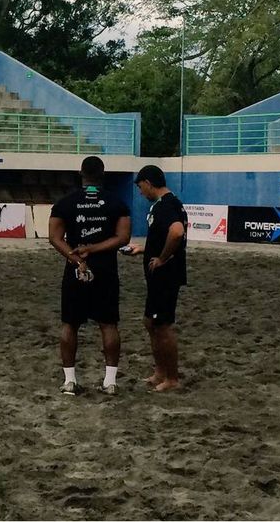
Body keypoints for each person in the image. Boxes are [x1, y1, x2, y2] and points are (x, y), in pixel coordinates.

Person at [48, 156, 131, 396]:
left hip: (75, 269)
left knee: (70, 324)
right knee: (108, 324)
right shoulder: (116, 203)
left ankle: (70, 381)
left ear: (80, 174)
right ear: (103, 174)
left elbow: (54, 237)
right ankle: (110, 381)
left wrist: (76, 257)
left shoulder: (66, 203)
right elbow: (123, 237)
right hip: (105, 268)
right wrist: (94, 250)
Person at [124, 165, 188, 393]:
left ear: (149, 183)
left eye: (141, 187)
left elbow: (177, 232)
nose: (141, 192)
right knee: (150, 323)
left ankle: (172, 378)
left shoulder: (166, 206)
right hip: (159, 277)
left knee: (162, 326)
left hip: (166, 277)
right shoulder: (166, 205)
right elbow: (165, 235)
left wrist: (161, 258)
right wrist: (145, 249)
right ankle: (161, 371)